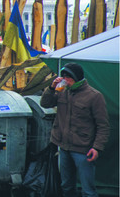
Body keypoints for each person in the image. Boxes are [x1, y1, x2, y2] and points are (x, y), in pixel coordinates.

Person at [40, 62, 109, 197]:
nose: (65, 79)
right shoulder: (62, 92)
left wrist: (97, 147)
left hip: (83, 149)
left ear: (76, 77)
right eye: (63, 76)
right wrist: (51, 87)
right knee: (66, 186)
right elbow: (45, 103)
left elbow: (103, 125)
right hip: (63, 147)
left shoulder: (94, 96)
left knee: (88, 190)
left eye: (69, 77)